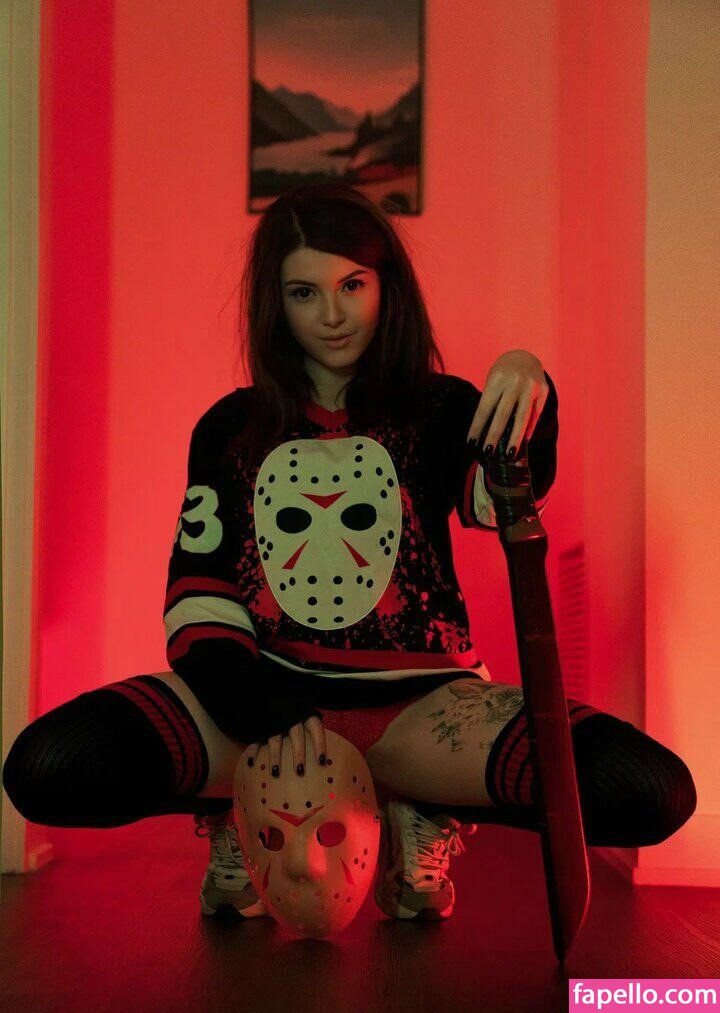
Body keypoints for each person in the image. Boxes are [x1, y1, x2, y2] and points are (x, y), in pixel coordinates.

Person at [3, 182, 696, 925]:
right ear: (275, 303)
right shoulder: (231, 428)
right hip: (263, 700)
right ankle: (238, 809)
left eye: (352, 285)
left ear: (386, 286)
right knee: (50, 767)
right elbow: (200, 594)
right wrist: (260, 712)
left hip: (422, 710)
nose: (332, 315)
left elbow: (497, 502)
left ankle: (419, 799)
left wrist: (531, 386)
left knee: (647, 790)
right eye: (304, 292)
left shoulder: (442, 409)